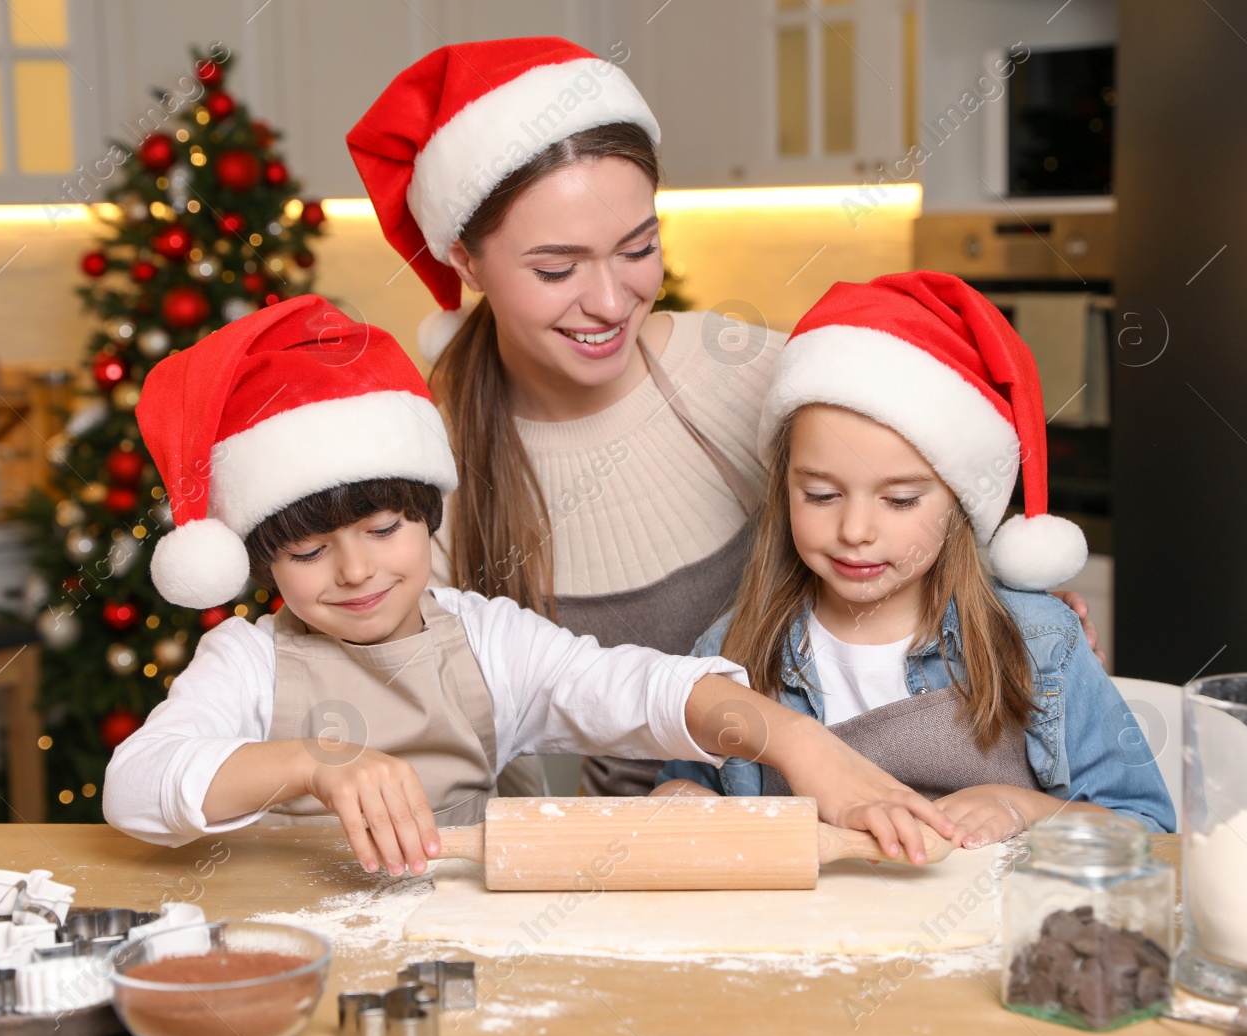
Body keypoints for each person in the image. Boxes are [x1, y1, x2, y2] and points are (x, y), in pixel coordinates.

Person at [347, 36, 1102, 798]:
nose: (610, 303)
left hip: (815, 813)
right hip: (614, 845)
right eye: (557, 268)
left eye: (637, 248)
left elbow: (920, 483)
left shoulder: (749, 373)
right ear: (466, 262)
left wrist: (1019, 611)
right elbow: (416, 717)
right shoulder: (426, 465)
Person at [101, 294, 958, 875]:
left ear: (429, 516)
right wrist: (311, 765)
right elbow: (135, 789)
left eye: (383, 529)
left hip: (449, 945)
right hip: (273, 943)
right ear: (263, 562)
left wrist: (797, 743)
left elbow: (639, 688)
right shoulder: (247, 659)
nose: (357, 570)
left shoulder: (488, 643)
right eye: (311, 551)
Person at [657, 272, 1176, 844]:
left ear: (959, 504)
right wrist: (677, 802)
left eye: (901, 500)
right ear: (783, 488)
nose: (855, 531)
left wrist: (1022, 807)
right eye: (821, 495)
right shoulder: (732, 651)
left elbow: (1146, 830)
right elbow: (689, 801)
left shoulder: (1040, 642)